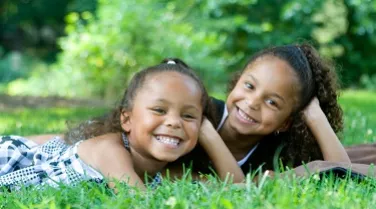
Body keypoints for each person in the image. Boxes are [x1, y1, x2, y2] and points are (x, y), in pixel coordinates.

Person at [0, 58, 244, 191]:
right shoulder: (110, 150)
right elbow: (136, 200)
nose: (173, 122)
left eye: (188, 116)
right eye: (159, 110)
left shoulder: (164, 172)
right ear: (126, 119)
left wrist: (208, 134)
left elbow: (234, 186)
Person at [169, 43, 351, 177]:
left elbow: (342, 172)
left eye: (272, 102)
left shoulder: (277, 154)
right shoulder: (198, 112)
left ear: (286, 122)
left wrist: (314, 114)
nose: (253, 103)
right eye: (249, 85)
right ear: (237, 80)